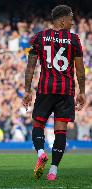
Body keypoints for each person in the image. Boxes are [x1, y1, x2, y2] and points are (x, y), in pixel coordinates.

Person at [22, 5, 86, 180]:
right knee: (60, 131)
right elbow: (80, 70)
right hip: (66, 91)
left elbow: (30, 67)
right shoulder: (74, 39)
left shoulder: (40, 37)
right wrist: (82, 92)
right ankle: (53, 171)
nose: (73, 22)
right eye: (71, 18)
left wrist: (27, 90)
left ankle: (41, 152)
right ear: (62, 20)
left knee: (38, 125)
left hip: (45, 89)